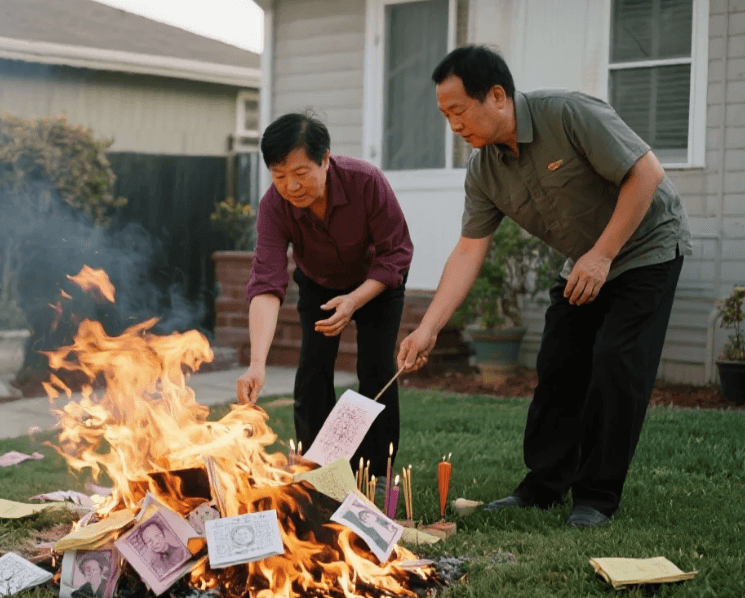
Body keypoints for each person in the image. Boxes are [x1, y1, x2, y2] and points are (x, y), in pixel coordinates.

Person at [398, 45, 691, 528]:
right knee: (558, 361)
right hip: (585, 261)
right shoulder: (484, 171)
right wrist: (428, 327)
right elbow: (470, 250)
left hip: (646, 247)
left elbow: (646, 173)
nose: (453, 125)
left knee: (617, 361)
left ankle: (596, 497)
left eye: (458, 111)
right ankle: (543, 486)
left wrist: (602, 254)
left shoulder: (568, 113)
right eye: (445, 115)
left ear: (496, 95)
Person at [236, 112, 414, 478]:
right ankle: (317, 469)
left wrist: (354, 301)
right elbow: (267, 284)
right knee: (313, 370)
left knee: (375, 369)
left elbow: (395, 253)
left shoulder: (366, 182)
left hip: (376, 282)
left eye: (301, 174)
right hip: (318, 282)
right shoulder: (273, 206)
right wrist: (257, 363)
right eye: (279, 176)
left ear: (326, 159)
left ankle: (375, 473)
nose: (291, 186)